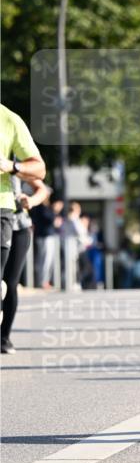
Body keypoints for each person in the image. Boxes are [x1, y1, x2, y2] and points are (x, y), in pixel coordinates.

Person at [2, 176, 49, 353]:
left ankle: (4, 337)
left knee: (10, 283)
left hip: (18, 226)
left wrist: (31, 200)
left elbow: (42, 189)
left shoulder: (14, 163)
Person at [0, 103, 45, 278]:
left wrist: (11, 166)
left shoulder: (10, 120)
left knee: (10, 283)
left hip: (14, 218)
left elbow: (40, 175)